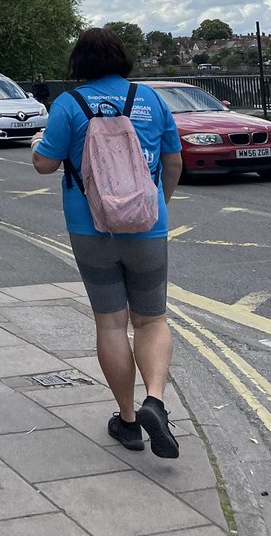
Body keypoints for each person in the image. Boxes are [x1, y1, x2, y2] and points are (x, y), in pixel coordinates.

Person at [31, 27, 183, 457]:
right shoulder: (151, 100)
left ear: (79, 63)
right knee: (151, 320)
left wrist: (37, 146)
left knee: (112, 323)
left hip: (91, 228)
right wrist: (157, 206)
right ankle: (156, 400)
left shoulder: (69, 104)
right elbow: (173, 162)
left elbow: (44, 164)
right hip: (147, 226)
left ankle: (129, 422)